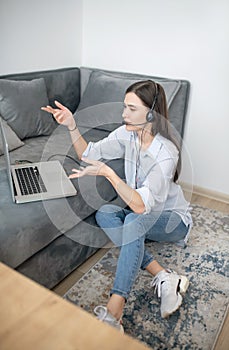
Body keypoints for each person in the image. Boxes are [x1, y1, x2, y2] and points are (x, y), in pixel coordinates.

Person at [42, 80, 192, 332]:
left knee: (133, 219)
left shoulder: (166, 152)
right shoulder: (127, 134)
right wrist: (72, 126)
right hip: (140, 213)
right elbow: (89, 153)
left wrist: (110, 174)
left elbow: (142, 207)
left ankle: (114, 311)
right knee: (105, 213)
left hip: (172, 220)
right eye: (124, 107)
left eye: (131, 109)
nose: (124, 114)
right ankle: (164, 275)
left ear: (151, 113)